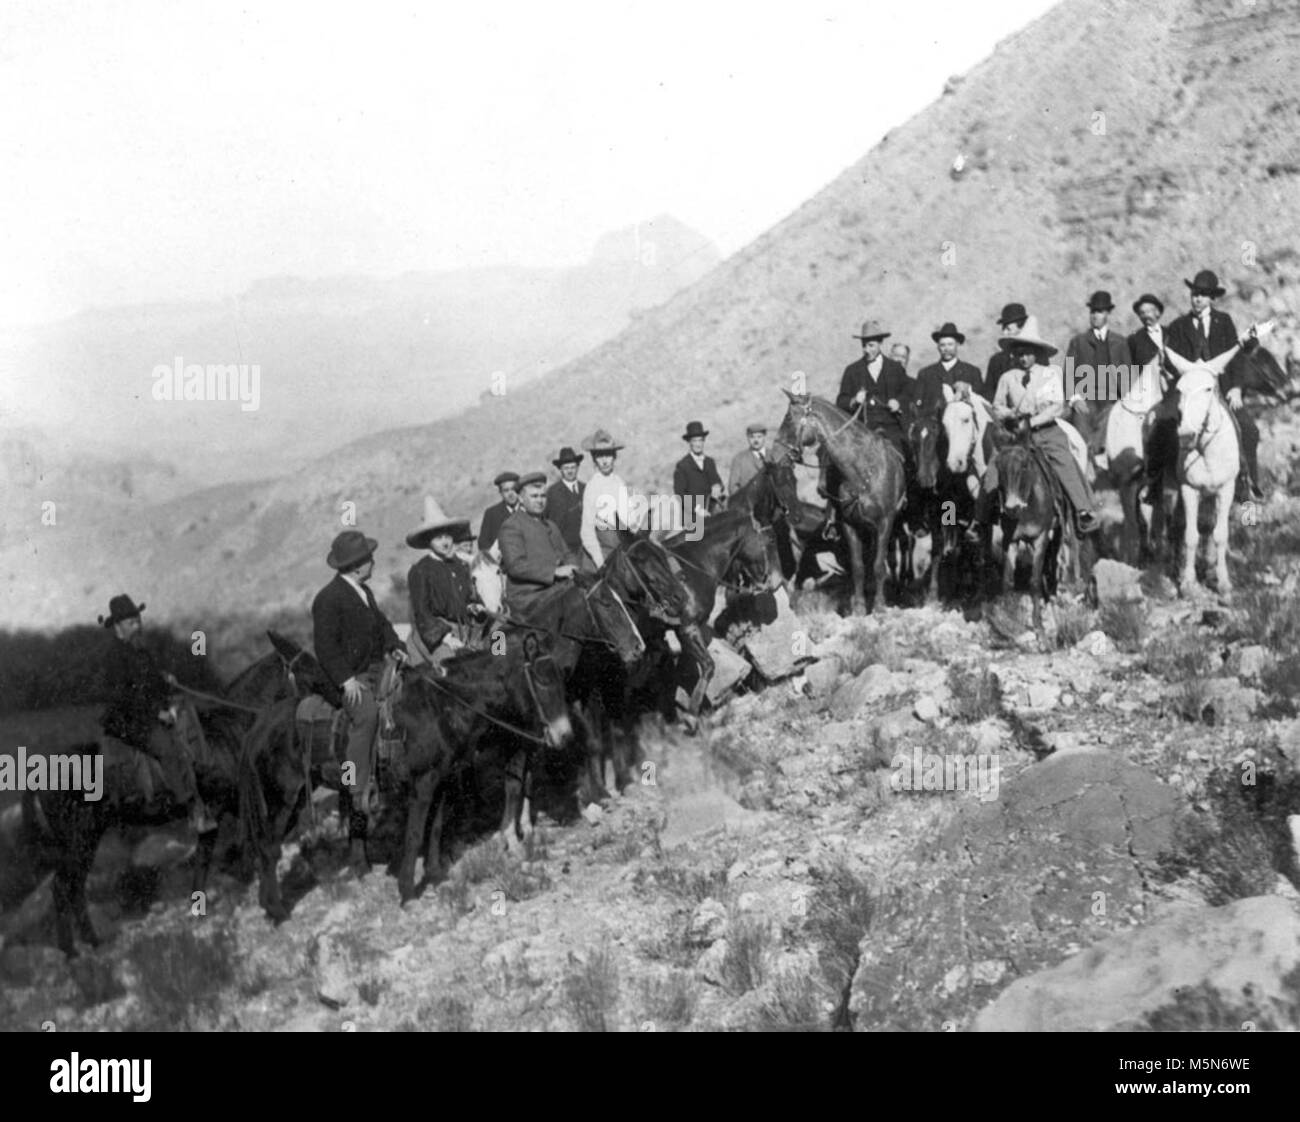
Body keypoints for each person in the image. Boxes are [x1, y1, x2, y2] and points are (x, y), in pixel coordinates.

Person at [311, 530, 407, 875]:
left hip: (375, 669)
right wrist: (345, 679)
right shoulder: (328, 599)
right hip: (349, 679)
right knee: (366, 715)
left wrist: (396, 644)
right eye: (368, 557)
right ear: (355, 565)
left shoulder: (364, 592)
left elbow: (382, 627)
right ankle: (358, 787)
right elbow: (325, 647)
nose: (373, 561)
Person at [968, 316, 1101, 537]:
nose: (1023, 358)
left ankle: (1083, 510)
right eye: (1019, 353)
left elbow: (1056, 407)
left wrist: (1032, 421)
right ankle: (980, 520)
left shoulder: (1052, 374)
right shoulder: (1007, 378)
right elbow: (997, 405)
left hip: (1045, 431)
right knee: (993, 466)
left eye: (1028, 353)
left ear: (1037, 353)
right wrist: (1010, 414)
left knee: (1064, 460)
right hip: (1015, 436)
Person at [98, 594, 215, 834]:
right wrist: (157, 714)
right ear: (118, 626)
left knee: (190, 719)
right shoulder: (114, 657)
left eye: (137, 620)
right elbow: (124, 697)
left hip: (146, 712)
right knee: (167, 748)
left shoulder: (140, 650)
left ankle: (206, 780)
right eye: (131, 623)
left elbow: (151, 681)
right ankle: (191, 810)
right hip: (127, 720)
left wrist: (165, 680)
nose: (137, 625)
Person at [1164, 268, 1263, 500]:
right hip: (1190, 390)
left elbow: (1237, 358)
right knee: (1164, 428)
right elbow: (1172, 363)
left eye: (1203, 294)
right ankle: (1163, 485)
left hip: (1221, 389)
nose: (1197, 298)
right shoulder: (1179, 325)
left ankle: (1248, 482)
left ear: (1211, 298)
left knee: (1248, 429)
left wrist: (1237, 388)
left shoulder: (1224, 321)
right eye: (1195, 294)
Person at [406, 497, 488, 666]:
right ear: (428, 541)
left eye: (447, 536)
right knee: (453, 669)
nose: (444, 542)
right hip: (435, 635)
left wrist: (475, 605)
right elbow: (422, 612)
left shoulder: (461, 565)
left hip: (465, 632)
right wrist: (446, 637)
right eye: (438, 538)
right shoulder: (420, 570)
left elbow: (471, 596)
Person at [498, 472, 581, 625]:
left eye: (543, 496)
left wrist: (574, 567)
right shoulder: (511, 526)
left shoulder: (551, 525)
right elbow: (516, 566)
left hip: (555, 591)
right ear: (521, 499)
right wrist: (554, 572)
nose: (540, 501)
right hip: (528, 597)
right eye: (534, 496)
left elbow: (567, 553)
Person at [1063, 290, 1131, 455]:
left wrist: (1124, 402)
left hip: (1111, 401)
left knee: (1110, 431)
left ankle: (1098, 461)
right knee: (1081, 437)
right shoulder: (1078, 342)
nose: (1095, 315)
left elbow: (1128, 376)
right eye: (1092, 311)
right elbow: (1068, 373)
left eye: (1099, 312)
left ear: (1108, 313)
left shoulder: (1120, 342)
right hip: (1086, 400)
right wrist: (1075, 399)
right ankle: (1086, 462)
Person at [835, 319, 909, 459]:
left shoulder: (896, 368)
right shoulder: (852, 371)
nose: (866, 350)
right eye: (864, 346)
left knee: (909, 459)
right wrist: (854, 400)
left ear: (880, 343)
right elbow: (840, 401)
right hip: (862, 429)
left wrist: (898, 403)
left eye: (871, 345)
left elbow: (907, 394)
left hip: (892, 428)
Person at [579, 429, 635, 570]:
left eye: (608, 455)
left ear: (614, 457)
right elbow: (587, 531)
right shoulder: (592, 487)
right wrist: (600, 561)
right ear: (594, 459)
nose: (604, 461)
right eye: (600, 456)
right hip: (605, 549)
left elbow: (629, 518)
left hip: (624, 542)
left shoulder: (619, 482)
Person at [912, 322, 983, 418]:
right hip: (933, 427)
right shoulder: (925, 373)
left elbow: (980, 402)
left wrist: (967, 390)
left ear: (957, 344)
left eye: (950, 344)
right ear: (938, 347)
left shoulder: (972, 372)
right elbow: (917, 405)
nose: (946, 349)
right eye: (942, 345)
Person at [673, 420, 725, 530]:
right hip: (691, 518)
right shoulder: (682, 466)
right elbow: (680, 494)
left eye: (700, 440)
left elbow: (717, 481)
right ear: (689, 442)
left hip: (711, 514)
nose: (698, 444)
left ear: (704, 441)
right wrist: (697, 509)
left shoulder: (709, 461)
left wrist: (717, 486)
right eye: (694, 440)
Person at [545, 447, 586, 559]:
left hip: (586, 549)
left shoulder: (586, 489)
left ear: (577, 467)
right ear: (560, 469)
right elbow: (545, 521)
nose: (570, 471)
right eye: (566, 468)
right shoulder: (552, 492)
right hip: (563, 550)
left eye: (573, 467)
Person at [982, 302, 1028, 404]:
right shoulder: (996, 360)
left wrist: (1069, 399)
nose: (1004, 333)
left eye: (1008, 329)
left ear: (1021, 329)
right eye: (1003, 329)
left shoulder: (1035, 357)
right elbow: (988, 394)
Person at [476, 471, 521, 557]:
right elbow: (483, 544)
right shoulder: (492, 514)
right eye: (506, 490)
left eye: (514, 489)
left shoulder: (527, 510)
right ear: (500, 493)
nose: (511, 494)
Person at [728, 422, 773, 495]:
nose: (756, 440)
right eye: (752, 437)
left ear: (765, 437)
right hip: (748, 503)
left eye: (759, 437)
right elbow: (733, 487)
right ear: (747, 438)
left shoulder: (773, 456)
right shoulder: (739, 459)